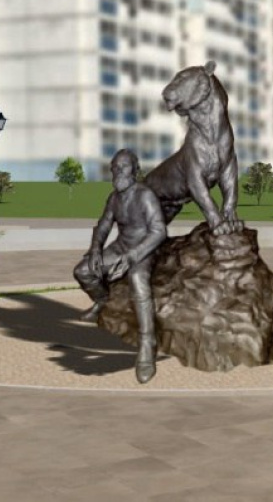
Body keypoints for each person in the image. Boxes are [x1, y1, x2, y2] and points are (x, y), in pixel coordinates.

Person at [73, 149, 168, 383]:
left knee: (138, 281)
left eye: (123, 167)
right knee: (83, 271)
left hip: (144, 250)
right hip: (119, 248)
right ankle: (104, 302)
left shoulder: (145, 196)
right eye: (114, 167)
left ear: (135, 170)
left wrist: (133, 257)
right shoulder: (114, 198)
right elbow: (103, 225)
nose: (118, 171)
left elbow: (159, 231)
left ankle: (147, 343)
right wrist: (96, 249)